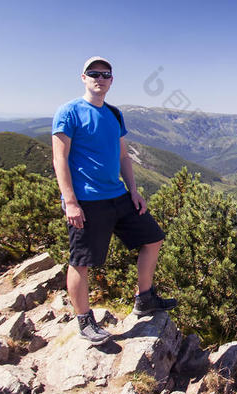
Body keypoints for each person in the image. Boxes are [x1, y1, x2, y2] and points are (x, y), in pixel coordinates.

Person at [52, 56, 176, 346]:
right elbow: (60, 158)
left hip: (118, 195)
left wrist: (133, 190)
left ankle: (144, 298)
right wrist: (70, 201)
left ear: (111, 80)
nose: (100, 78)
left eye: (105, 74)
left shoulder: (114, 114)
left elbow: (123, 156)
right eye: (94, 73)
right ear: (83, 77)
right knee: (81, 261)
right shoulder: (68, 111)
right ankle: (84, 320)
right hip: (87, 199)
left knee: (153, 237)